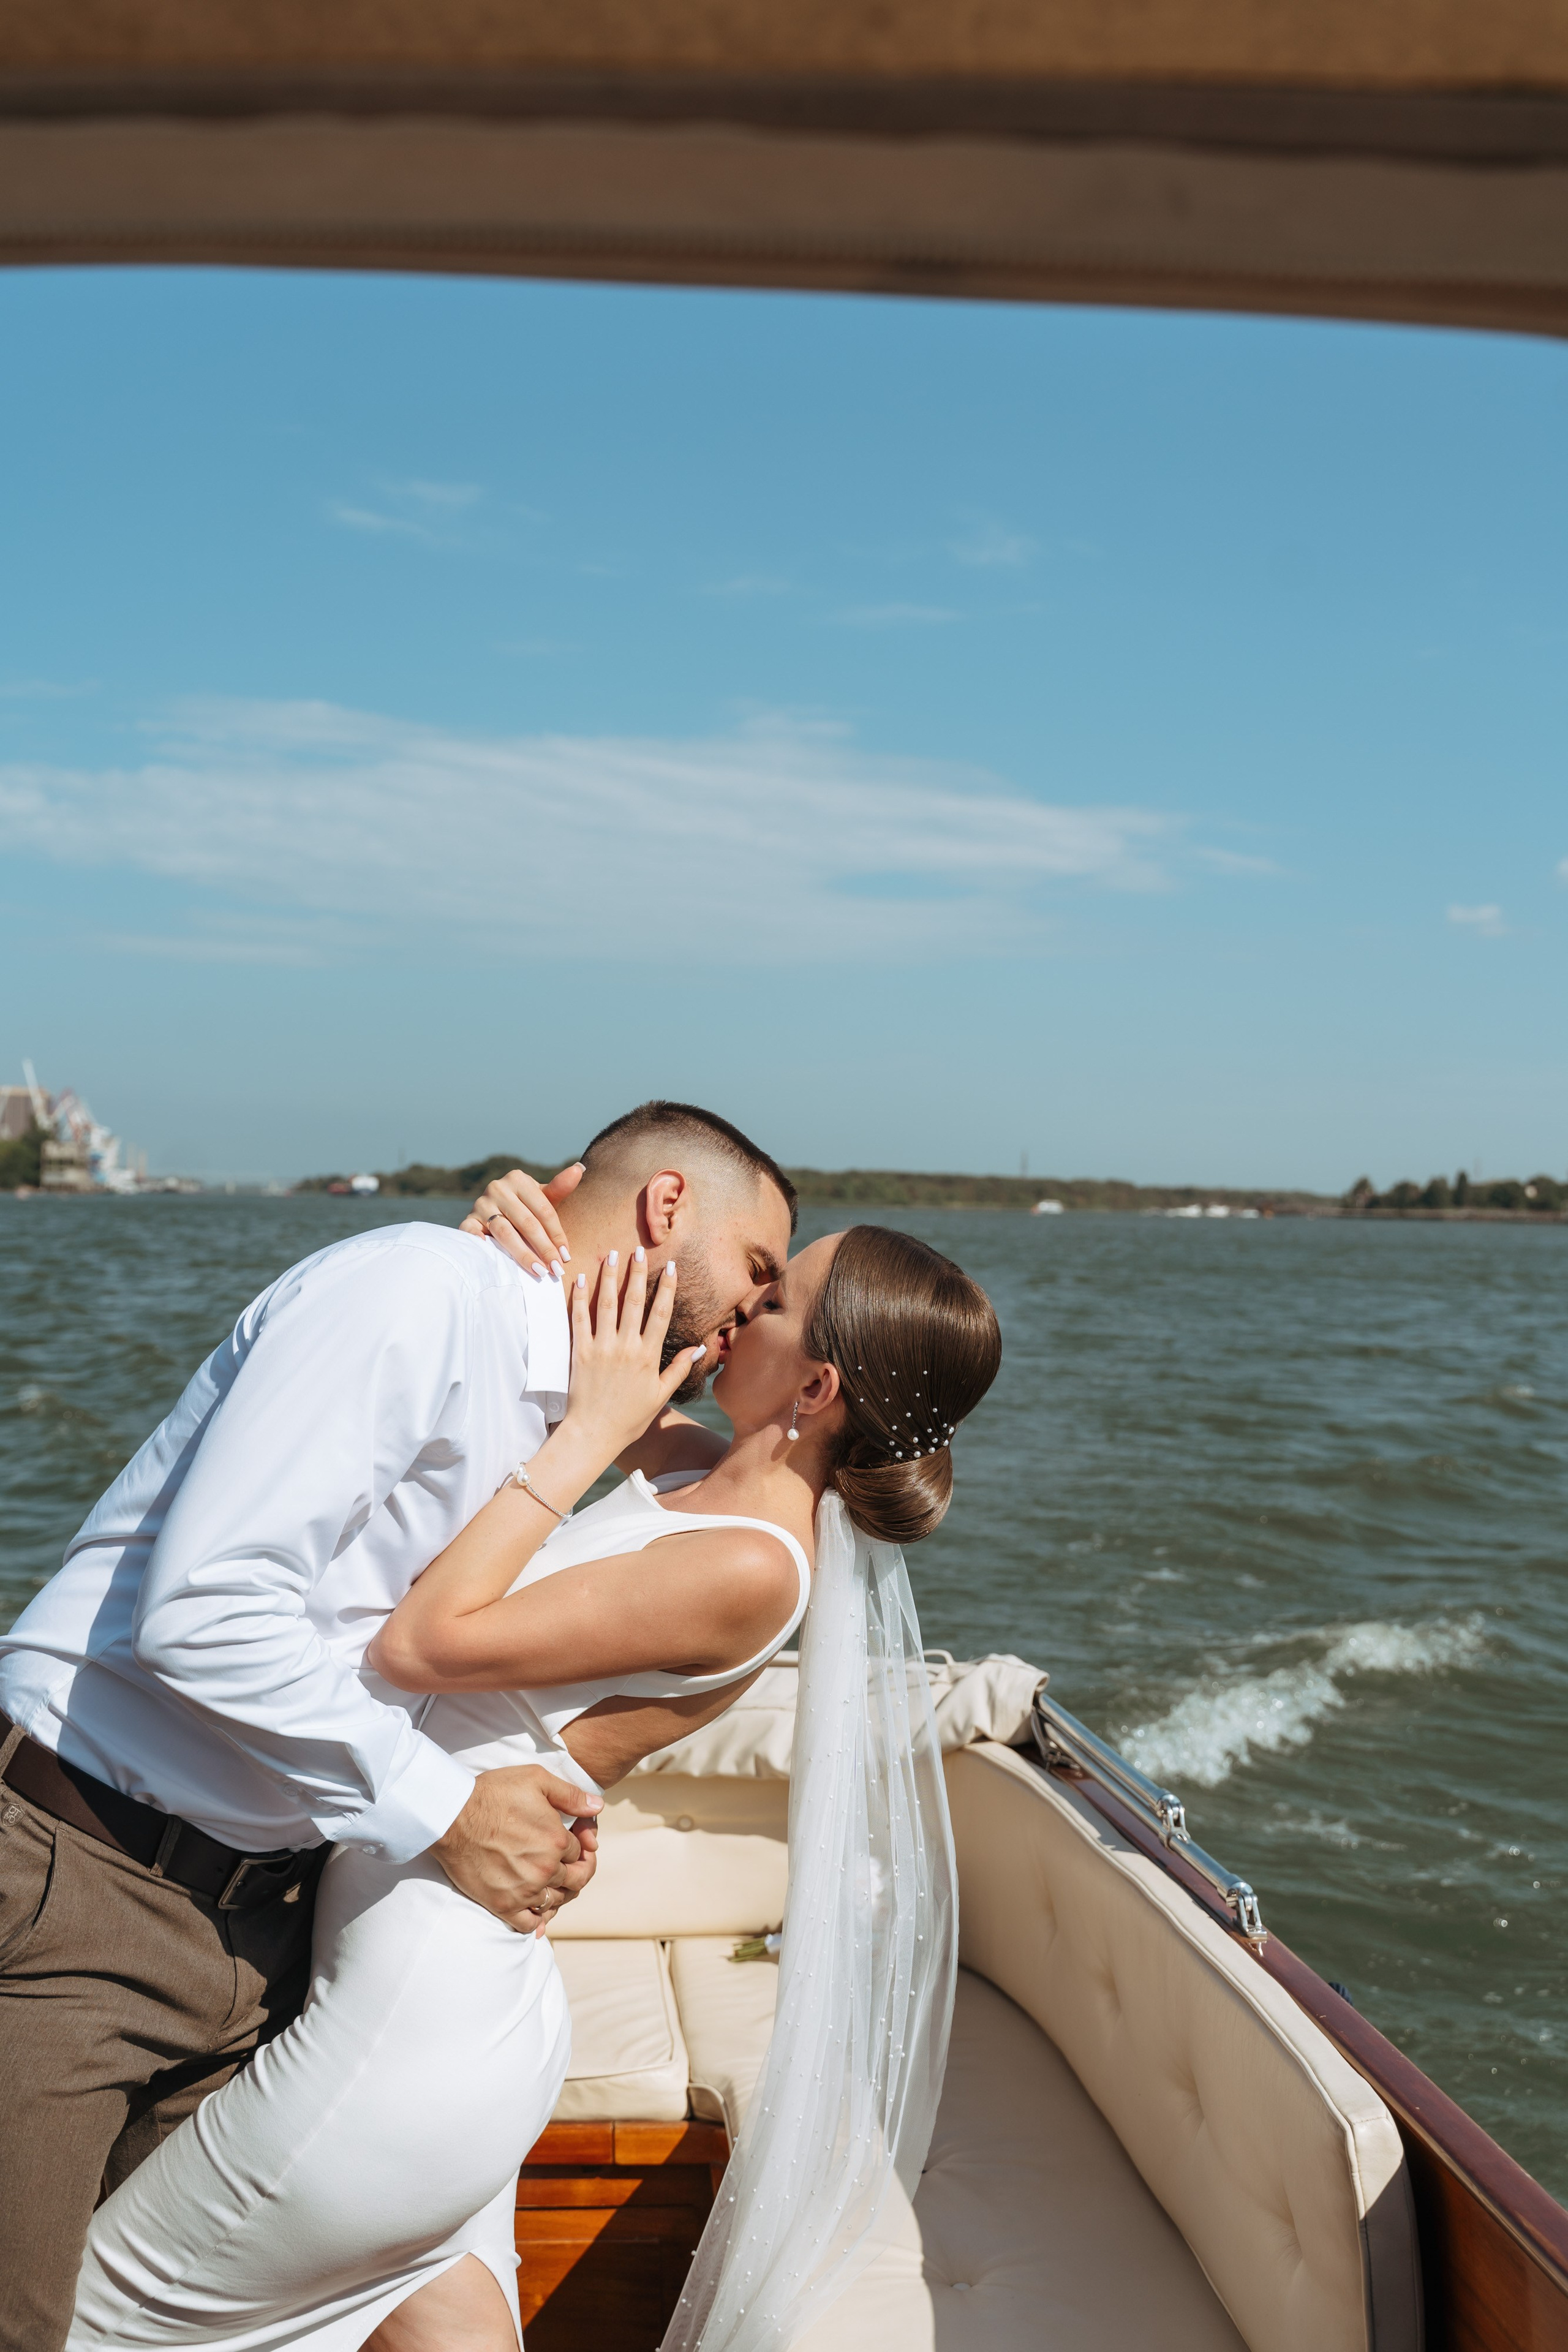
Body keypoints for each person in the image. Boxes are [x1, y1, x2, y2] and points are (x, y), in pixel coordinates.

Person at [67, 1222, 1002, 2352]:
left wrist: (591, 1435)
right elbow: (594, 1362)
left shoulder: (754, 1565)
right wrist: (519, 1221)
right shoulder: (704, 1475)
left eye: (773, 1301)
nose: (738, 1311)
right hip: (437, 1994)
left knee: (91, 2323)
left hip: (408, 2021)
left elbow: (421, 1643)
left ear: (817, 1383)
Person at [0, 1101, 797, 2352]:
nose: (757, 1303)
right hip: (79, 1883)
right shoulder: (415, 1300)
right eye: (758, 1269)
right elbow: (204, 1612)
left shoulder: (584, 1394)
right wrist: (450, 1810)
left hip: (266, 1925)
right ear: (664, 1210)